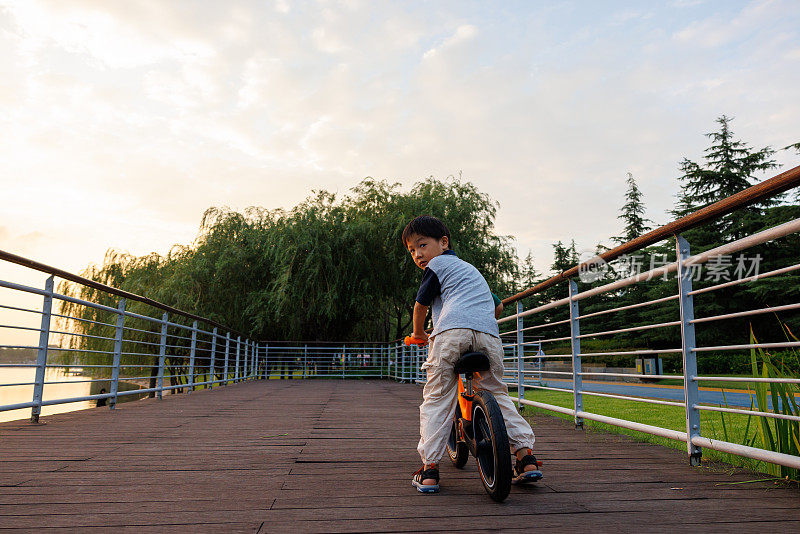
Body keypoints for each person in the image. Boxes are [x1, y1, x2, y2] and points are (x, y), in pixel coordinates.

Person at [402, 215, 542, 493]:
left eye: (422, 245)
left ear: (443, 243)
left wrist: (418, 334)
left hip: (451, 335)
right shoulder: (469, 270)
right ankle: (526, 457)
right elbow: (498, 306)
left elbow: (420, 305)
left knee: (437, 398)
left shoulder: (437, 265)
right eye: (412, 250)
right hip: (488, 335)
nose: (418, 254)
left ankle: (429, 469)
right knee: (498, 393)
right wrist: (478, 321)